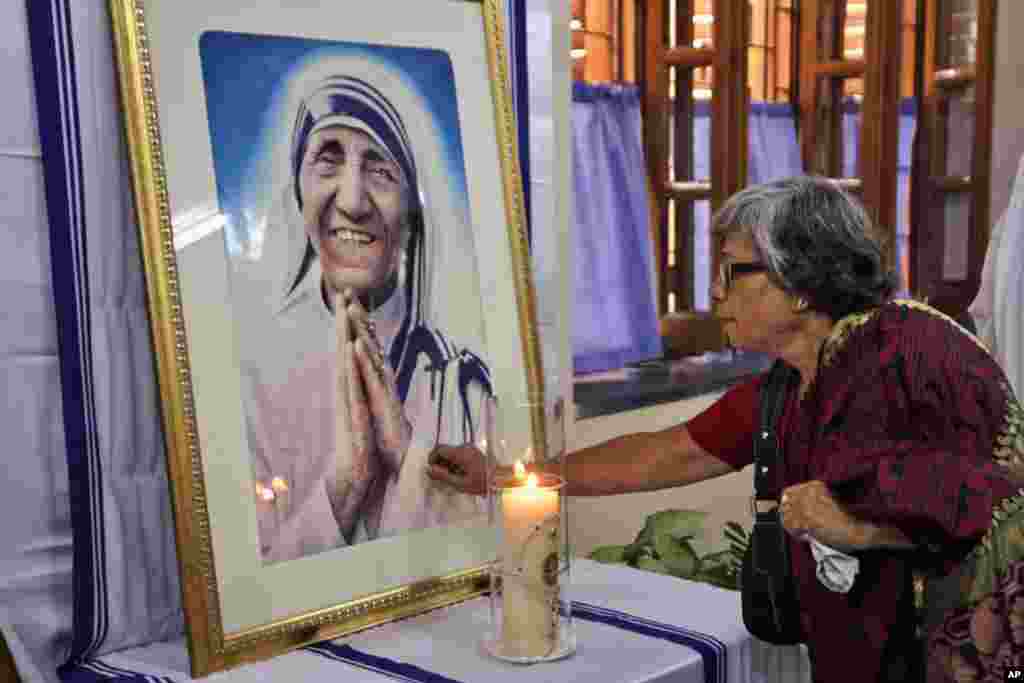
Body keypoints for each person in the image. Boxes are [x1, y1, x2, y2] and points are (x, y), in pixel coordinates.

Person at [428, 176, 1024, 682]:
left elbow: (993, 503)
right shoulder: (791, 386)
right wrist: (506, 477)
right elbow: (673, 454)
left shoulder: (910, 354)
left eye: (734, 272)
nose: (716, 293)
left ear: (800, 281)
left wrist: (862, 531)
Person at [237, 55, 493, 564]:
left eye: (380, 169)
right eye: (328, 159)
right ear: (297, 189)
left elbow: (488, 550)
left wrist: (406, 459)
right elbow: (246, 586)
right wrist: (345, 485)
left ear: (414, 214)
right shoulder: (250, 375)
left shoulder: (460, 380)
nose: (352, 200)